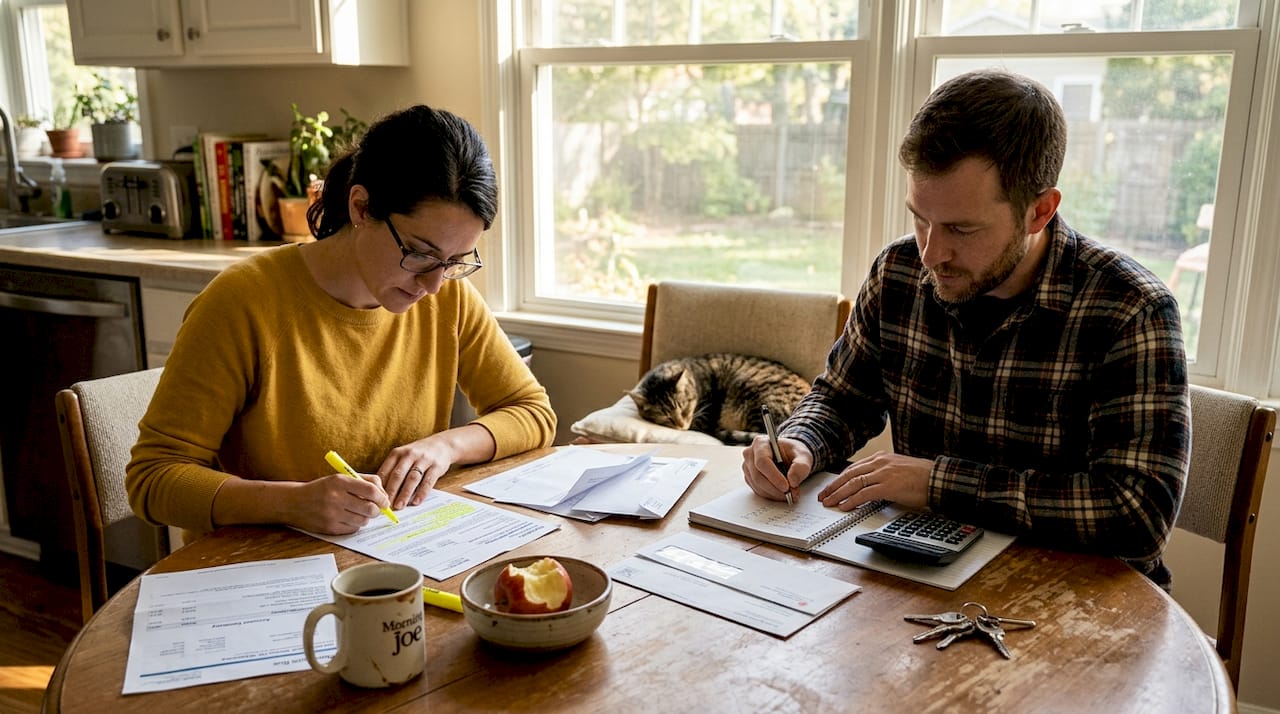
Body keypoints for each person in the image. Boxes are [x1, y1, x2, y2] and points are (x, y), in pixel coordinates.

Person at [742, 69, 1190, 585]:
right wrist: (800, 444)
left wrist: (938, 484)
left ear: (1039, 211)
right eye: (919, 218)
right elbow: (842, 399)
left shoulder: (1131, 309)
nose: (932, 253)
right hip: (919, 581)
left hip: (1079, 606)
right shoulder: (899, 273)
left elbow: (1137, 516)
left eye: (961, 228)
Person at [127, 105, 556, 538]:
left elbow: (533, 414)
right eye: (420, 253)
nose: (432, 284)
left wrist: (445, 446)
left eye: (454, 261)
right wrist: (290, 503)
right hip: (260, 570)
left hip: (387, 556)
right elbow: (153, 478)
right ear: (361, 206)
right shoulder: (242, 301)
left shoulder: (449, 297)